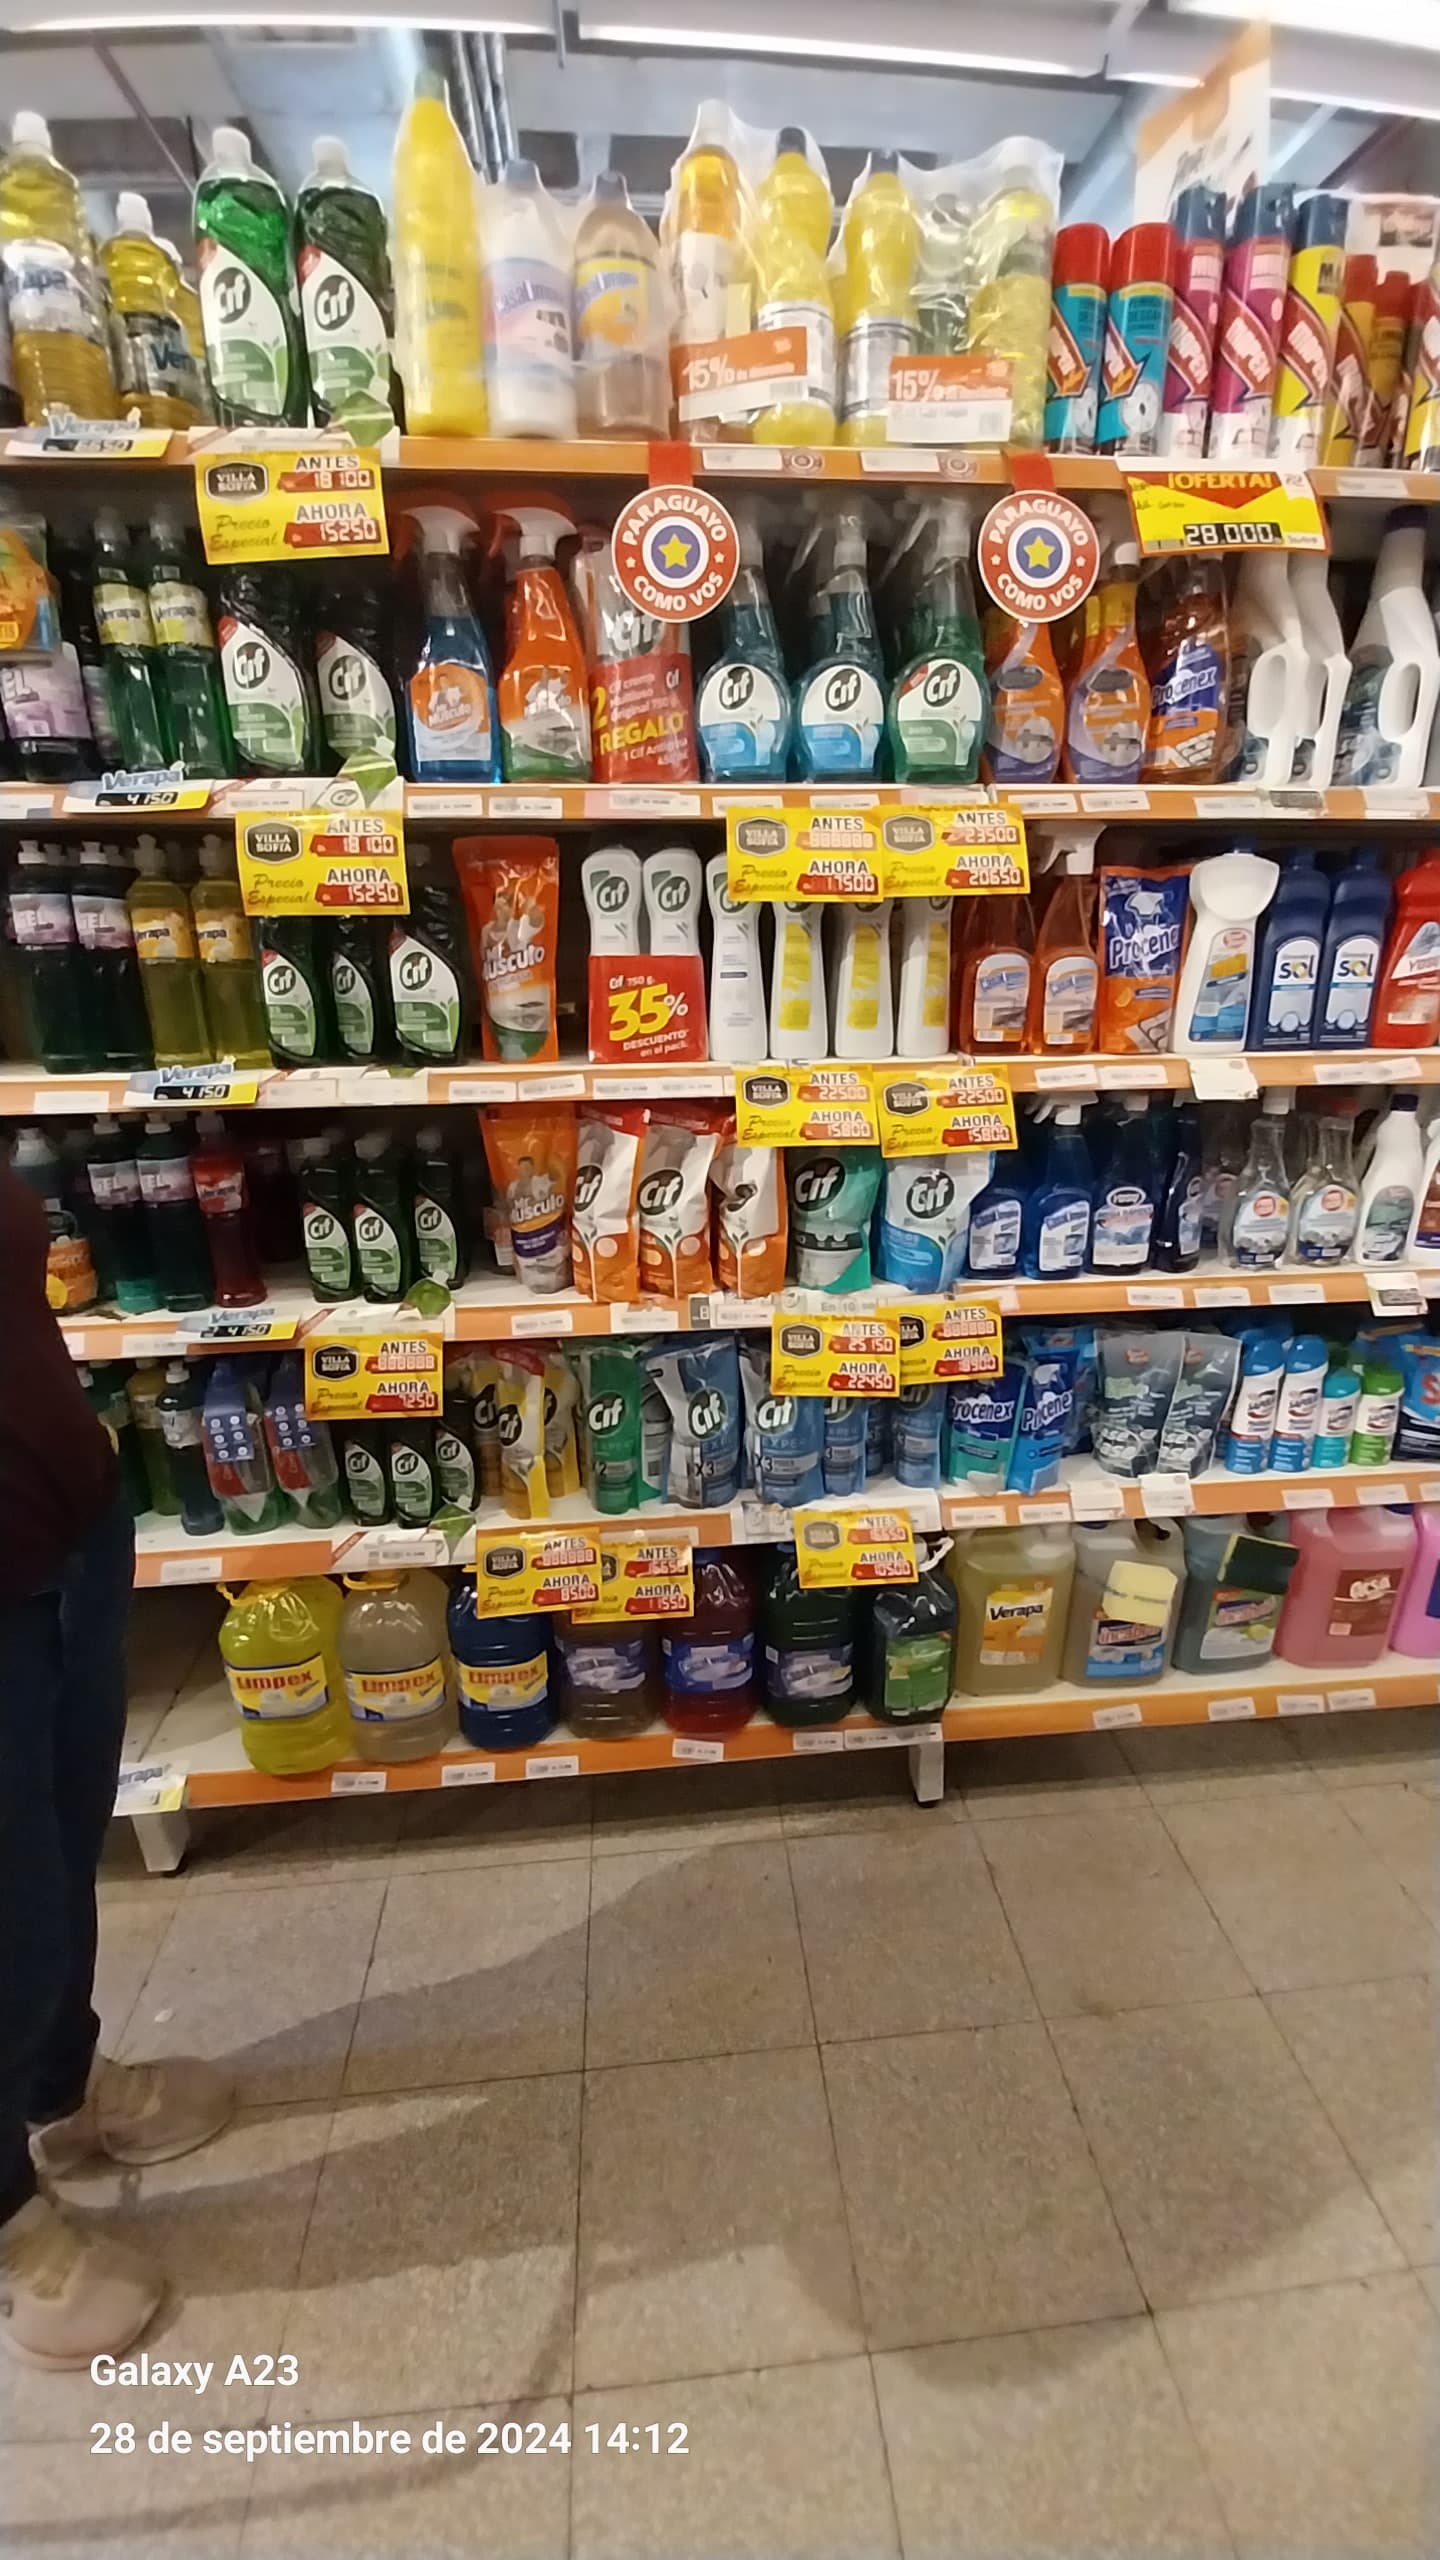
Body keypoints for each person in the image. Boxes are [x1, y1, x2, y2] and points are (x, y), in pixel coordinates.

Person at [0, 1154, 230, 2369]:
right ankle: (12, 2234)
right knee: (13, 1914)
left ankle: (61, 2088)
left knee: (61, 1841)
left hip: (65, 1526)